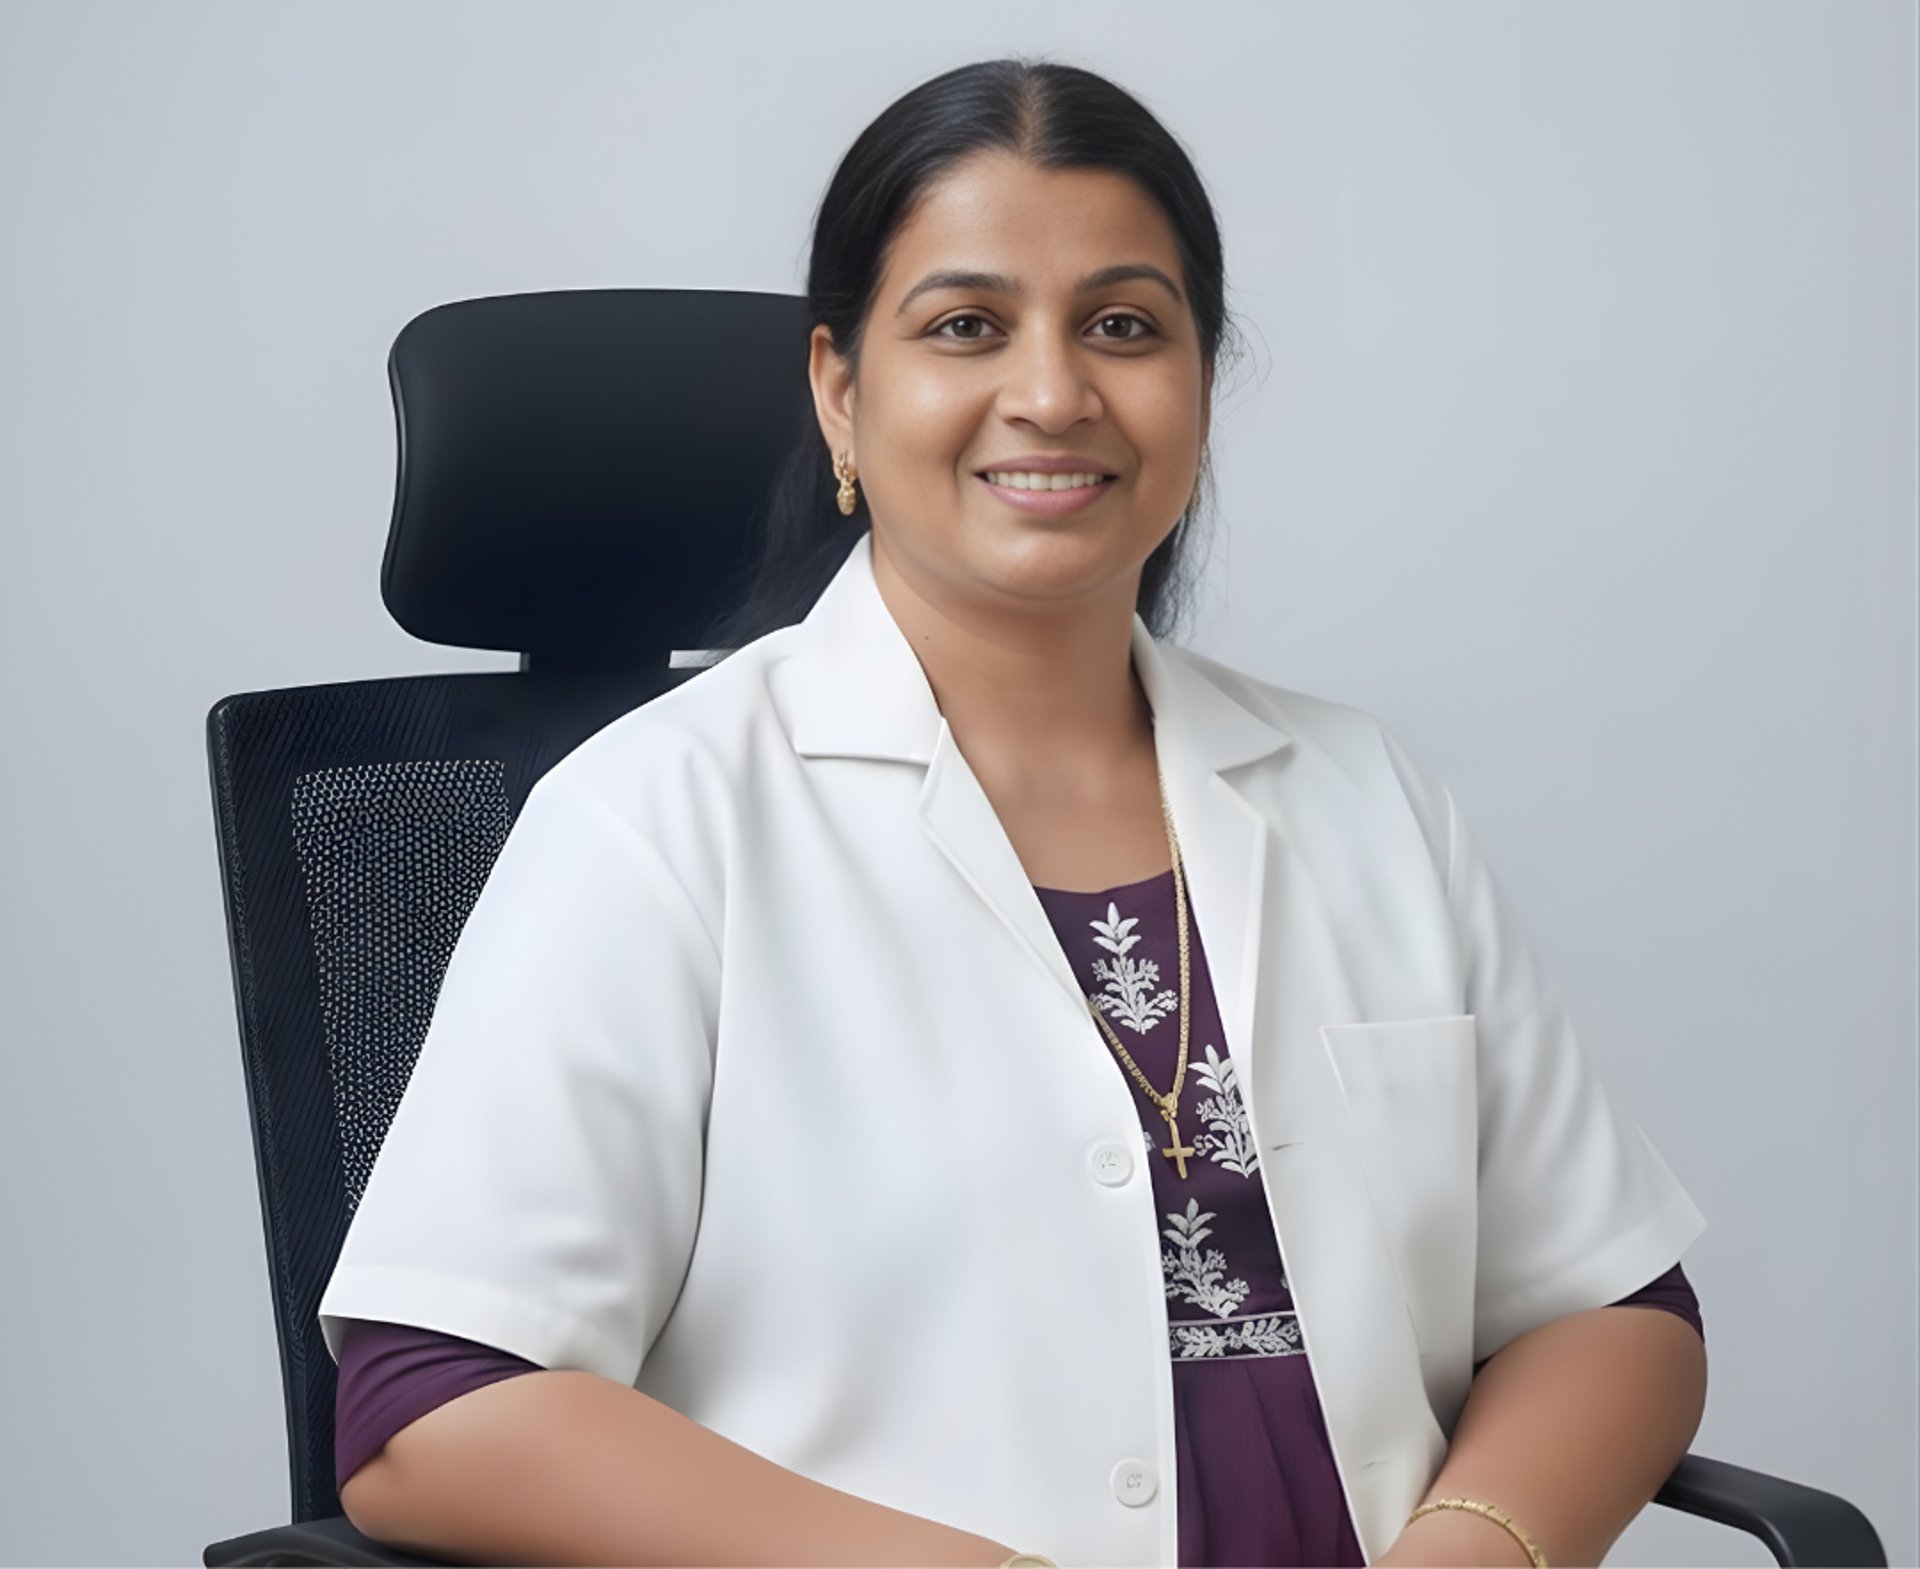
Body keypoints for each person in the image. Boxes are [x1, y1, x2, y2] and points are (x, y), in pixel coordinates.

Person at [319, 55, 1707, 1569]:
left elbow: (1612, 1303)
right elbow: (433, 1402)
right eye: (965, 326)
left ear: (1198, 384)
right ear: (841, 394)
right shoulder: (654, 824)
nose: (1052, 393)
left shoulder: (1363, 794)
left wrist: (1477, 1545)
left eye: (1123, 325)